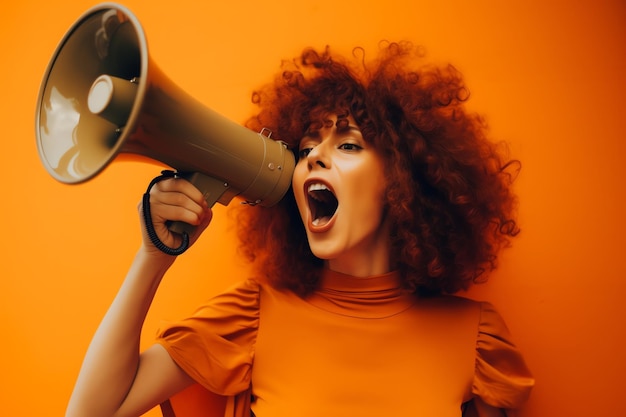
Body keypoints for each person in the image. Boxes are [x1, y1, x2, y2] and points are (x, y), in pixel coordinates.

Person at [65, 41, 534, 417]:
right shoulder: (252, 315)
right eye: (307, 148)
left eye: (348, 145)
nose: (315, 158)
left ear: (402, 178)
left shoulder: (477, 340)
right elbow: (90, 412)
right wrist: (152, 258)